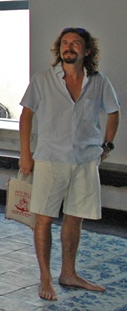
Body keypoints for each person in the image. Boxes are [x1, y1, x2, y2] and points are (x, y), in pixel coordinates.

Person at [19, 27, 119, 301]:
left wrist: (106, 145)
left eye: (76, 43)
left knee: (75, 217)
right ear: (58, 49)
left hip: (86, 160)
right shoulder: (43, 79)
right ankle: (45, 277)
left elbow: (113, 111)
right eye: (65, 43)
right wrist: (25, 154)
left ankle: (68, 273)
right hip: (50, 158)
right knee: (44, 217)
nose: (69, 47)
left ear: (87, 50)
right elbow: (26, 115)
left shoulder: (98, 81)